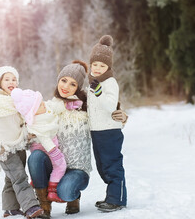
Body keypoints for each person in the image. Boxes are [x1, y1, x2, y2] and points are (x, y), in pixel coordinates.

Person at [27, 60, 127, 218]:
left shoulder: (86, 105)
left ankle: (74, 198)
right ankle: (44, 206)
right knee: (35, 158)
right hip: (55, 165)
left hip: (78, 169)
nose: (65, 87)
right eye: (64, 80)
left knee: (65, 191)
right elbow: (29, 118)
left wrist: (121, 115)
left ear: (78, 87)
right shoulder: (49, 107)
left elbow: (108, 109)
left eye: (72, 84)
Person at [0, 66, 44, 218]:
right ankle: (31, 207)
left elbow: (23, 118)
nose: (11, 82)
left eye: (14, 79)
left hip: (17, 144)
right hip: (2, 146)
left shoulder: (19, 100)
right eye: (6, 79)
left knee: (12, 178)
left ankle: (10, 208)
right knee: (19, 177)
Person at [87, 35, 127, 212]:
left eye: (102, 66)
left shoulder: (110, 83)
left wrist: (98, 92)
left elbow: (110, 105)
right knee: (102, 166)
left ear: (108, 67)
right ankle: (111, 195)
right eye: (95, 64)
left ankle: (117, 199)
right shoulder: (93, 82)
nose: (97, 68)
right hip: (97, 131)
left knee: (112, 165)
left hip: (109, 131)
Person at [10, 88, 67, 202]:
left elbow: (53, 107)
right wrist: (55, 152)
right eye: (40, 105)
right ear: (32, 113)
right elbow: (45, 139)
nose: (44, 105)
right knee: (60, 166)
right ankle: (52, 189)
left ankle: (35, 180)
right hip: (48, 149)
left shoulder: (44, 110)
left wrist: (69, 105)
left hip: (48, 147)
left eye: (41, 102)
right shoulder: (37, 123)